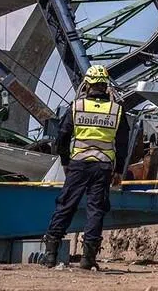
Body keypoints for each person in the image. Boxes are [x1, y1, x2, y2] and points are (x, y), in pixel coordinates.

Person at [41, 64, 130, 271]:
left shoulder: (77, 107)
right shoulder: (116, 110)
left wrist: (65, 162)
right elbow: (123, 143)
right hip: (103, 166)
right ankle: (88, 258)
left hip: (78, 165)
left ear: (87, 85)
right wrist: (118, 171)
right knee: (96, 209)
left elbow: (62, 137)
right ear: (106, 86)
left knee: (66, 205)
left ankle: (50, 256)